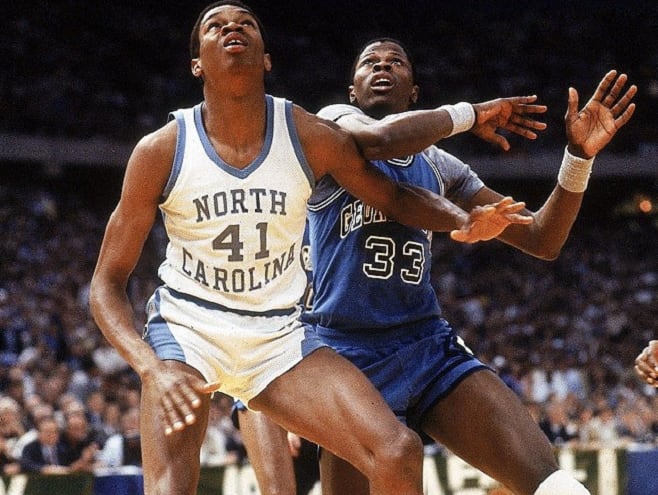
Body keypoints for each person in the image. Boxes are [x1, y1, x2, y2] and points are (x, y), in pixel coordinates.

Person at [88, 3, 535, 495]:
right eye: (215, 26)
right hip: (190, 331)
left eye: (247, 24)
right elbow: (107, 284)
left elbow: (391, 196)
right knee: (172, 487)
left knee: (396, 451)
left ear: (267, 60)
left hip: (278, 336)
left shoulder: (304, 134)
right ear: (197, 64)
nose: (233, 28)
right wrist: (150, 367)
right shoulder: (161, 150)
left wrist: (462, 220)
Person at [239, 38, 636, 495]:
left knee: (554, 485)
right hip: (343, 354)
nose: (382, 66)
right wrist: (469, 113)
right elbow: (382, 140)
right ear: (352, 91)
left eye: (396, 62)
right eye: (370, 62)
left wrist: (578, 158)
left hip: (426, 344)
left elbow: (541, 239)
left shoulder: (441, 165)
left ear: (413, 92)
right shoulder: (332, 126)